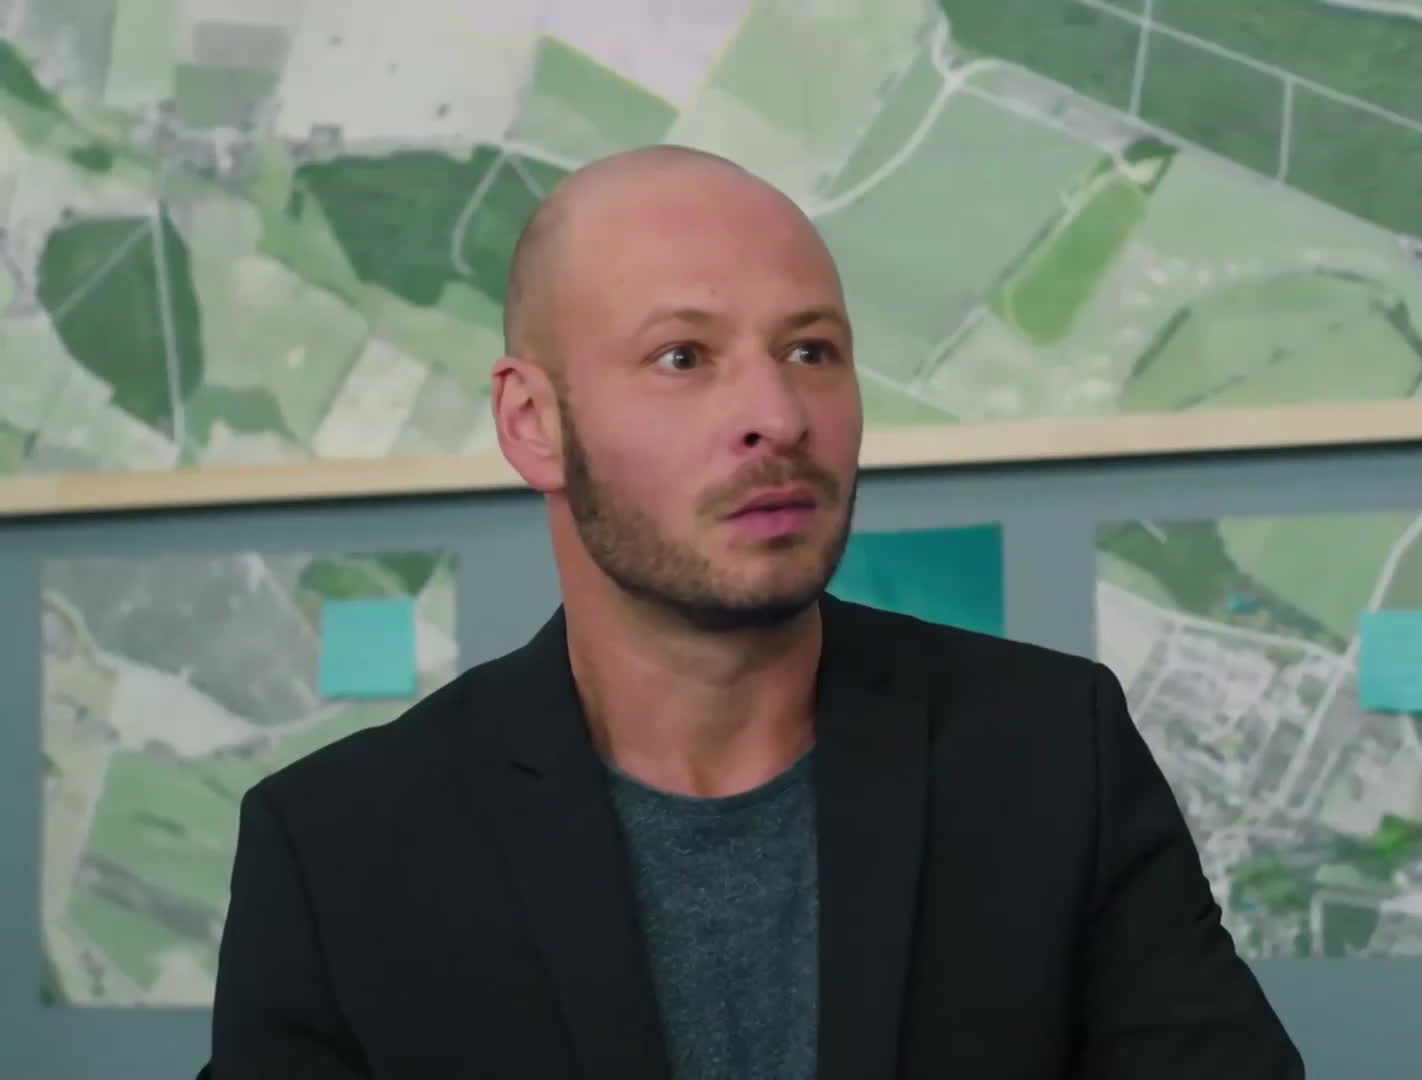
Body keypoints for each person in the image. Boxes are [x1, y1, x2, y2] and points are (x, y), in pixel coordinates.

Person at [202, 145, 1304, 1079]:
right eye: (682, 357)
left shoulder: (1051, 753)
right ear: (533, 422)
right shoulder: (342, 848)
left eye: (810, 351)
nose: (777, 414)